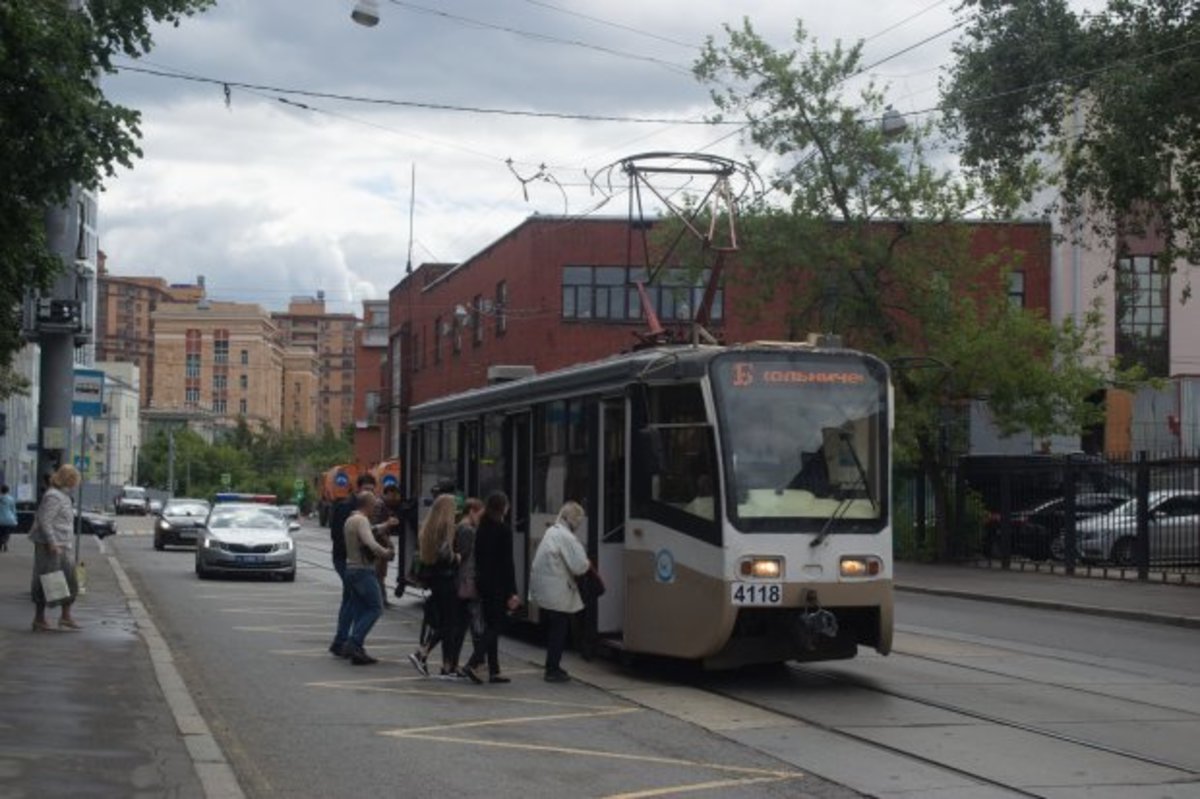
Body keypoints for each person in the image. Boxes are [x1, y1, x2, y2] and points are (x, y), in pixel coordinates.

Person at [328, 474, 396, 657]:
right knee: (359, 602)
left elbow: (369, 532)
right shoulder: (346, 509)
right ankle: (347, 641)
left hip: (352, 562)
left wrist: (383, 526)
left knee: (355, 601)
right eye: (367, 489)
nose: (371, 494)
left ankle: (347, 642)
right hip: (349, 561)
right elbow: (343, 537)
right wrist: (371, 550)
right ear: (359, 490)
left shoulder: (358, 515)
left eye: (373, 490)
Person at [461, 491, 520, 685]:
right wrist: (513, 591)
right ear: (503, 507)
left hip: (483, 583)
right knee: (496, 626)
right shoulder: (503, 530)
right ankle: (472, 662)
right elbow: (507, 563)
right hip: (498, 585)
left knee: (490, 624)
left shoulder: (482, 528)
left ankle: (494, 670)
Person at [529, 501, 590, 683]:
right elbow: (580, 566)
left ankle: (553, 665)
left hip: (547, 590)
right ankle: (552, 668)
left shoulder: (552, 531)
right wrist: (588, 565)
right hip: (558, 592)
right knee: (559, 630)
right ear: (574, 520)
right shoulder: (567, 537)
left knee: (556, 628)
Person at [409, 494, 460, 678]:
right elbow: (446, 554)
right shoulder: (445, 527)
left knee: (446, 623)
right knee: (449, 624)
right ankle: (421, 653)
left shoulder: (428, 527)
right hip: (446, 580)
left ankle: (447, 667)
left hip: (434, 580)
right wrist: (457, 557)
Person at [341, 490, 394, 665]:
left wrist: (384, 525)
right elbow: (370, 542)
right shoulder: (362, 520)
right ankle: (354, 642)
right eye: (374, 505)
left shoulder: (351, 519)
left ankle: (357, 649)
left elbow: (369, 532)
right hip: (363, 570)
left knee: (359, 610)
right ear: (368, 505)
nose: (376, 508)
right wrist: (386, 553)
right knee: (375, 608)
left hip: (350, 569)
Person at [29, 465, 82, 632]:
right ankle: (39, 619)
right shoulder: (53, 496)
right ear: (68, 479)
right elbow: (45, 521)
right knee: (48, 581)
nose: (76, 483)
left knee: (70, 580)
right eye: (75, 479)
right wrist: (52, 543)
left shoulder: (63, 496)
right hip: (50, 546)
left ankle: (65, 616)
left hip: (63, 545)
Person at [450, 497, 485, 683]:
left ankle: (453, 664)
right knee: (476, 625)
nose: (481, 518)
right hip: (467, 581)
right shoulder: (467, 530)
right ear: (472, 510)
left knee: (463, 625)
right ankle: (476, 664)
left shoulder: (461, 528)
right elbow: (465, 555)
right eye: (480, 514)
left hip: (462, 580)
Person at [0, 484, 17, 552]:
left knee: (0, 532)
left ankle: (1, 543)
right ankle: (5, 542)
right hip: (9, 520)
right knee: (6, 532)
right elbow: (13, 510)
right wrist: (15, 518)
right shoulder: (11, 499)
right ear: (8, 491)